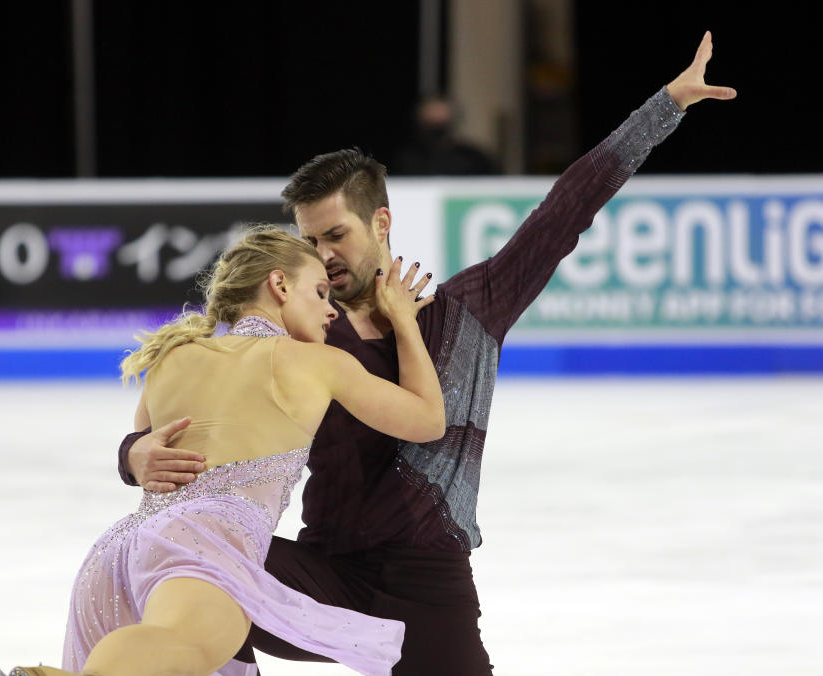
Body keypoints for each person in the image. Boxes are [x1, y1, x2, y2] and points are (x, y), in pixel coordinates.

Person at [119, 33, 736, 675]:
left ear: (380, 224)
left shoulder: (470, 310)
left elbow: (565, 210)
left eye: (337, 234)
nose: (323, 255)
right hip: (325, 569)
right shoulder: (299, 335)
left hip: (429, 587)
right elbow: (196, 397)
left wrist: (666, 105)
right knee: (202, 568)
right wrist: (132, 454)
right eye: (309, 240)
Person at [0, 227, 445, 676]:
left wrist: (131, 456)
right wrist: (403, 320)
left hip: (122, 553)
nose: (331, 310)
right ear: (279, 284)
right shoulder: (314, 363)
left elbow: (148, 448)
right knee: (183, 646)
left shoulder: (174, 355)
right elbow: (428, 421)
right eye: (321, 291)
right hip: (210, 544)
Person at [391, 94, 497, 175]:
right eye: (431, 119)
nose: (437, 123)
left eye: (442, 120)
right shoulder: (407, 158)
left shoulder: (472, 158)